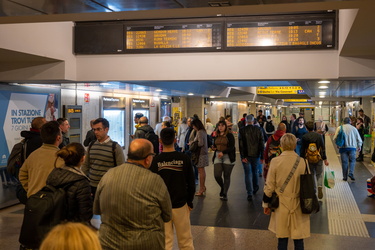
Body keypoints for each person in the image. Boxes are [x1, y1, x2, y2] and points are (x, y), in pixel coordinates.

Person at [94, 139, 172, 250]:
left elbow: (97, 209)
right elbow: (167, 215)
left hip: (109, 242)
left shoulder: (108, 175)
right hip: (145, 244)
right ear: (147, 159)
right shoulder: (155, 180)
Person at [263, 133, 311, 250]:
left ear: (281, 145)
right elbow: (308, 186)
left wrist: (266, 204)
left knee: (282, 238)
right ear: (295, 145)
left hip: (281, 203)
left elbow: (269, 186)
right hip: (298, 203)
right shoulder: (303, 162)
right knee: (299, 238)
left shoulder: (275, 161)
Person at [150, 128, 195, 250]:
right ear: (175, 140)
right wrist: (189, 202)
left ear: (160, 141)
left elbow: (152, 186)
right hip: (180, 204)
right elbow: (191, 183)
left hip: (162, 206)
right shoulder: (184, 158)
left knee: (165, 241)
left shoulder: (156, 161)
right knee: (185, 240)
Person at [46, 143, 93, 223]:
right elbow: (85, 214)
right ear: (83, 158)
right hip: (72, 227)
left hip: (53, 224)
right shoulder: (82, 182)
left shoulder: (54, 175)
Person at [19, 121, 65, 198]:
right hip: (53, 202)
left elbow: (22, 174)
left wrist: (30, 189)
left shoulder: (33, 155)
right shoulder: (61, 157)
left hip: (34, 200)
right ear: (58, 137)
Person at [81, 118, 125, 196]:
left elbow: (121, 170)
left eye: (99, 129)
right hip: (92, 186)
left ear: (106, 129)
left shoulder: (115, 147)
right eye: (94, 130)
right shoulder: (91, 145)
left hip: (107, 188)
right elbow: (86, 166)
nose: (96, 132)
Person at [300, 121, 329, 199]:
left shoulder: (305, 137)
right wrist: (325, 159)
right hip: (318, 158)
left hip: (309, 159)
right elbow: (323, 148)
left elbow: (302, 149)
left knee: (312, 174)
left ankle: (314, 190)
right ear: (314, 127)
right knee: (319, 174)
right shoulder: (319, 136)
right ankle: (320, 186)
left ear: (306, 128)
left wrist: (302, 159)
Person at [238, 115, 264, 201]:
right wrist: (262, 156)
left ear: (245, 121)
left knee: (247, 174)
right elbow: (261, 143)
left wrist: (242, 156)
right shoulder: (258, 130)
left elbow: (241, 145)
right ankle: (255, 188)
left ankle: (249, 193)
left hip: (246, 155)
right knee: (255, 172)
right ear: (253, 121)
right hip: (256, 155)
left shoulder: (242, 130)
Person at [212, 120, 236, 201]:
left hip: (227, 156)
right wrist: (214, 147)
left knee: (226, 175)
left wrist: (223, 152)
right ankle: (222, 187)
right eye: (219, 125)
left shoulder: (229, 135)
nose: (220, 127)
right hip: (218, 155)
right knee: (217, 175)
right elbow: (215, 144)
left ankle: (225, 193)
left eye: (222, 125)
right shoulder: (216, 135)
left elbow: (232, 147)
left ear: (225, 126)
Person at [191, 118, 209, 196]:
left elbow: (200, 143)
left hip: (200, 154)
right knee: (202, 171)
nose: (193, 127)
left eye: (194, 126)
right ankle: (203, 187)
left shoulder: (199, 132)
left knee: (200, 171)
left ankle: (201, 189)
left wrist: (193, 143)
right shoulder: (203, 131)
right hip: (204, 153)